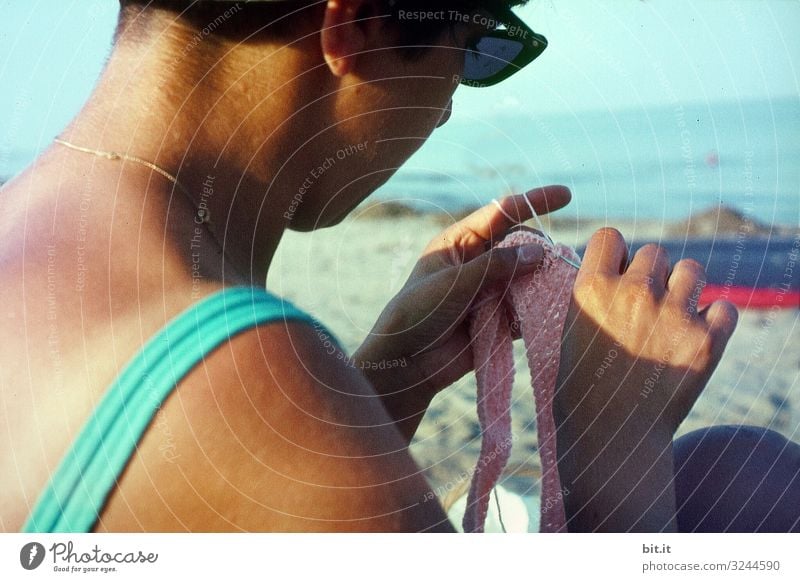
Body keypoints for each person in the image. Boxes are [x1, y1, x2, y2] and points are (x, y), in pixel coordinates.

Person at [1, 0, 797, 532]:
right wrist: (612, 449)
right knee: (756, 478)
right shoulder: (231, 377)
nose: (451, 104)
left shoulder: (33, 227)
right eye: (479, 47)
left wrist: (386, 375)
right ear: (357, 28)